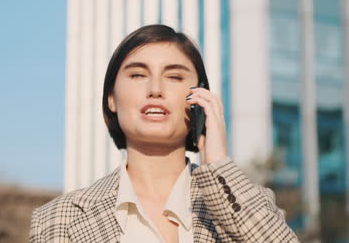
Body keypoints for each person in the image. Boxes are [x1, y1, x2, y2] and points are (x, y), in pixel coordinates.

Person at [29, 25, 300, 243]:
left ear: (198, 98)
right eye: (137, 75)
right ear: (111, 98)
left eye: (174, 77)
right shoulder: (57, 220)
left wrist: (218, 162)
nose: (155, 89)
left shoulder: (249, 203)